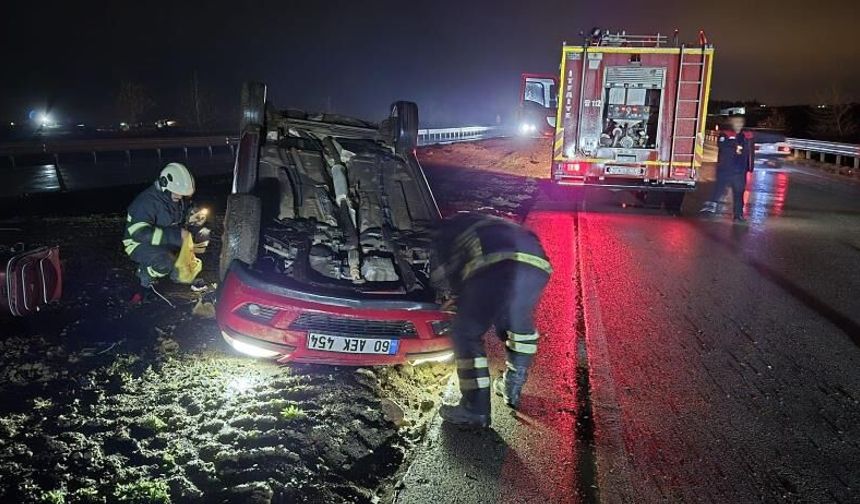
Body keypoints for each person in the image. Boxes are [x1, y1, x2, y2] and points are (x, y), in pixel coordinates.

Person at [432, 213, 552, 428]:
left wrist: (457, 298)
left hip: (496, 264)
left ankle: (474, 409)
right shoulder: (495, 223)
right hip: (537, 266)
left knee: (465, 332)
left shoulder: (447, 230)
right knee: (516, 325)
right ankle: (511, 385)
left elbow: (449, 269)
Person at [122, 163, 209, 302]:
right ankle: (145, 275)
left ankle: (182, 275)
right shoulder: (146, 202)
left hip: (165, 239)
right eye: (178, 194)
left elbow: (184, 212)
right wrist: (176, 236)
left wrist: (194, 217)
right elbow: (139, 233)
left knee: (201, 238)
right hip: (138, 243)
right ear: (164, 185)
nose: (180, 198)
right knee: (165, 262)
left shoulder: (175, 198)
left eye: (183, 195)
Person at [700, 114, 755, 222]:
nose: (738, 124)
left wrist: (782, 138)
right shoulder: (725, 135)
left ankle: (738, 216)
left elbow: (764, 137)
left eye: (740, 121)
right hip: (725, 170)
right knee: (718, 192)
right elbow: (723, 145)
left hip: (740, 171)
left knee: (739, 194)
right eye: (736, 121)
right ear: (731, 122)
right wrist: (735, 145)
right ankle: (708, 211)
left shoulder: (747, 135)